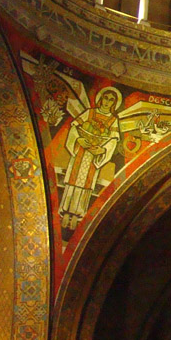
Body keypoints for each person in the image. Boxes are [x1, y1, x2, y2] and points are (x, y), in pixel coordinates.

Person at [58, 86, 122, 237]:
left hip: (93, 157)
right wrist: (79, 139)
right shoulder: (90, 112)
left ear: (114, 103)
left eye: (111, 100)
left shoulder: (113, 119)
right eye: (105, 98)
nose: (107, 102)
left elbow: (113, 140)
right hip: (80, 152)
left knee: (86, 184)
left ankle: (78, 214)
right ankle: (65, 211)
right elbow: (74, 127)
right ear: (101, 99)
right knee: (73, 181)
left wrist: (103, 150)